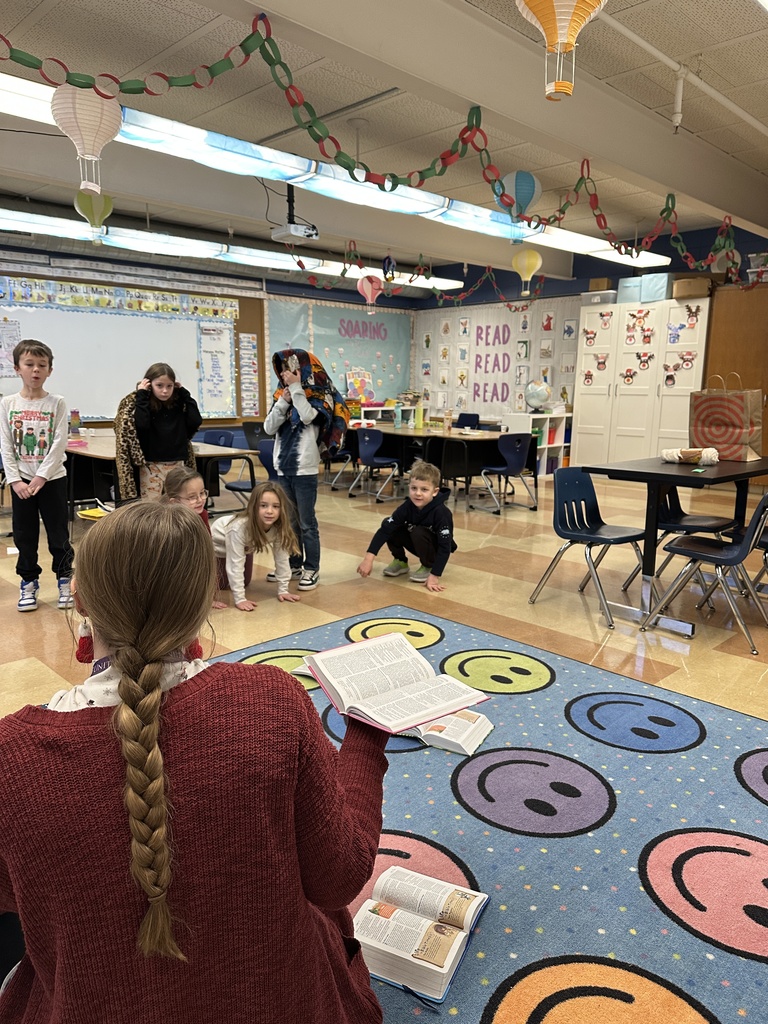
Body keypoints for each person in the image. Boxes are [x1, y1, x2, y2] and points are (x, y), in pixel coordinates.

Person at [0, 501, 389, 1023]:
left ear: (82, 599)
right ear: (206, 599)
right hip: (277, 1001)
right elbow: (338, 877)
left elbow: (12, 897)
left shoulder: (12, 755)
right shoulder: (270, 702)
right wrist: (366, 739)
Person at [263, 348, 348, 592]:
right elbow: (269, 427)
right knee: (289, 522)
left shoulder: (319, 396)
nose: (287, 374)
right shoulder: (283, 395)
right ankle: (294, 563)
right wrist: (284, 400)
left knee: (307, 522)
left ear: (307, 370)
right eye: (284, 369)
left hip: (305, 469)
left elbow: (309, 417)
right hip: (283, 467)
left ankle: (312, 567)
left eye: (294, 369)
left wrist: (298, 391)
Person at [0, 339, 74, 612]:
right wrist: (15, 480)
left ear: (49, 370)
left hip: (52, 480)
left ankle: (65, 578)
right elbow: (5, 444)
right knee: (24, 535)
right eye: (29, 364)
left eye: (42, 365)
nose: (35, 370)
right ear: (17, 368)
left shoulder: (57, 402)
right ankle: (28, 582)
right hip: (20, 483)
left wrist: (41, 477)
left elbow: (58, 442)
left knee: (58, 534)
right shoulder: (8, 404)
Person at [356, 460, 457, 593]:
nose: (418, 493)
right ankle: (400, 561)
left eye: (424, 489)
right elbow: (385, 530)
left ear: (435, 491)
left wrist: (435, 575)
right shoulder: (407, 506)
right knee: (390, 524)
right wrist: (368, 559)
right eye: (414, 488)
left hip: (436, 547)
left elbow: (445, 547)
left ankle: (428, 566)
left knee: (418, 531)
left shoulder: (441, 513)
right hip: (417, 540)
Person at [114, 362, 201, 501]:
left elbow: (195, 421)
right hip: (151, 464)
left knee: (178, 503)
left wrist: (185, 394)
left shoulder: (179, 403)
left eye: (169, 386)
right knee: (152, 505)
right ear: (149, 384)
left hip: (177, 462)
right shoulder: (144, 403)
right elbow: (141, 425)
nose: (165, 391)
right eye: (159, 386)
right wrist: (142, 394)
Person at [210, 481, 301, 611]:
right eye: (263, 506)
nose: (270, 511)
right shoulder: (238, 528)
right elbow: (235, 564)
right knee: (220, 585)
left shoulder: (278, 527)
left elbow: (282, 559)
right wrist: (240, 599)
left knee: (245, 581)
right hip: (216, 550)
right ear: (253, 506)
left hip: (245, 547)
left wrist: (283, 590)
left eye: (276, 506)